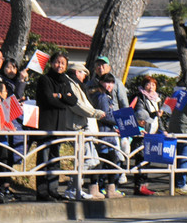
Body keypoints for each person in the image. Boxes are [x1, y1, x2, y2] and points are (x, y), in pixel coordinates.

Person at [35, 52, 78, 201]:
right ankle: (42, 192)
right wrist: (63, 100)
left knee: (55, 159)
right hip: (46, 124)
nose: (59, 65)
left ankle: (53, 190)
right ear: (51, 63)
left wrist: (59, 96)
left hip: (60, 125)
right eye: (57, 62)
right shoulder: (44, 79)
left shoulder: (66, 81)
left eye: (62, 63)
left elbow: (73, 100)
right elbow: (47, 99)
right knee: (43, 159)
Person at [64, 62, 106, 200]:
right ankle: (73, 188)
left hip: (82, 127)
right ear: (77, 72)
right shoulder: (70, 84)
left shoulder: (77, 85)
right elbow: (77, 105)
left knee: (92, 160)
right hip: (75, 126)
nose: (84, 77)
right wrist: (95, 113)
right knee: (84, 160)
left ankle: (75, 187)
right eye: (83, 73)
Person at [88, 73, 124, 199]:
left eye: (111, 82)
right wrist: (120, 121)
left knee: (108, 161)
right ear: (100, 82)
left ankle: (104, 188)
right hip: (104, 134)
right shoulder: (102, 97)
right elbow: (105, 116)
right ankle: (100, 188)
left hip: (107, 132)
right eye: (106, 82)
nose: (109, 85)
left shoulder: (102, 95)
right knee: (105, 162)